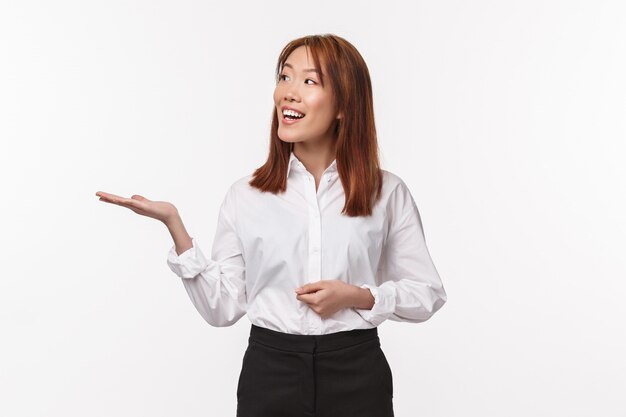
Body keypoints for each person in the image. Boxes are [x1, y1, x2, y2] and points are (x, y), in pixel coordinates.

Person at [96, 33, 447, 417]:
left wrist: (357, 296)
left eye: (309, 81)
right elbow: (223, 308)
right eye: (285, 77)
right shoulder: (245, 195)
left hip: (357, 372)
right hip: (270, 372)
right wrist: (175, 226)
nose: (288, 93)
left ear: (345, 104)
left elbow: (427, 292)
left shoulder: (386, 192)